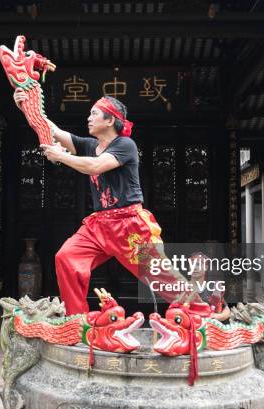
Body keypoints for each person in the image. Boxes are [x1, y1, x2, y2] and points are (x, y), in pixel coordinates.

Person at [14, 89, 185, 315]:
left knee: (162, 276)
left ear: (110, 120)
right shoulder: (88, 145)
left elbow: (95, 166)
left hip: (129, 225)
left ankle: (200, 311)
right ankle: (77, 320)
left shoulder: (125, 145)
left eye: (94, 114)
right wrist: (28, 107)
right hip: (99, 225)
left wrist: (61, 156)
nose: (89, 118)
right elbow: (53, 131)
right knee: (66, 257)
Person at [187, 252, 230, 322]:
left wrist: (217, 316)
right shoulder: (182, 287)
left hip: (209, 329)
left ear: (206, 267)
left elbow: (226, 310)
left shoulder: (213, 287)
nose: (194, 267)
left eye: (198, 264)